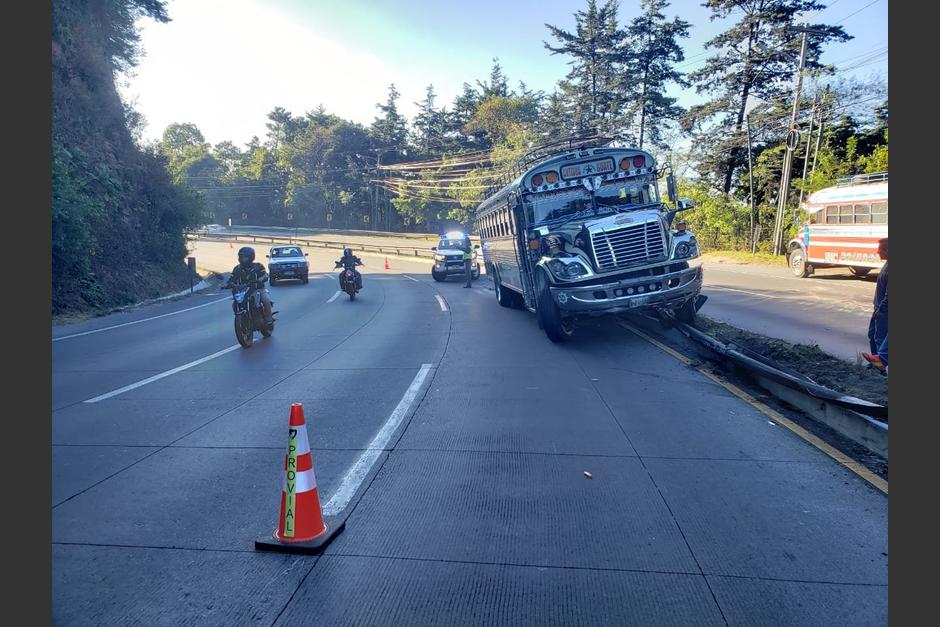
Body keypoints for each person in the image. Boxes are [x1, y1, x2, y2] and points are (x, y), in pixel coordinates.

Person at [224, 246, 273, 324]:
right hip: (243, 291)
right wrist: (229, 284)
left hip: (258, 289)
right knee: (235, 303)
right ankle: (243, 317)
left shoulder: (258, 266)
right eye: (241, 257)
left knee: (265, 300)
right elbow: (232, 278)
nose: (242, 259)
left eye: (245, 257)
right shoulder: (237, 268)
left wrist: (261, 279)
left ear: (251, 257)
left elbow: (265, 275)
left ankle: (269, 319)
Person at [862, 238, 888, 373]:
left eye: (880, 249)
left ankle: (879, 368)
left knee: (879, 337)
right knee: (872, 335)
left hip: (884, 310)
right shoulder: (887, 264)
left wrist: (881, 309)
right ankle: (875, 363)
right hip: (879, 308)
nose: (877, 252)